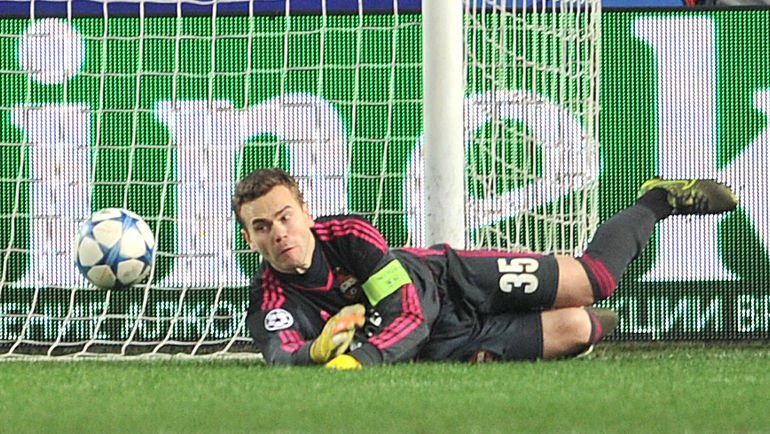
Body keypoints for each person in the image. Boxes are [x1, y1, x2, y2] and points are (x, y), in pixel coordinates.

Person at [233, 168, 738, 369]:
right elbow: (281, 355)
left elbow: (408, 312)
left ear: (306, 213)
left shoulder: (349, 237)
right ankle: (576, 323)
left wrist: (359, 360)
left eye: (285, 217)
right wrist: (317, 350)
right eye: (262, 227)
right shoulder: (270, 296)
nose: (279, 233)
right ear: (250, 239)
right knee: (579, 327)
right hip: (441, 343)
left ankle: (657, 200)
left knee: (595, 281)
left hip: (452, 281)